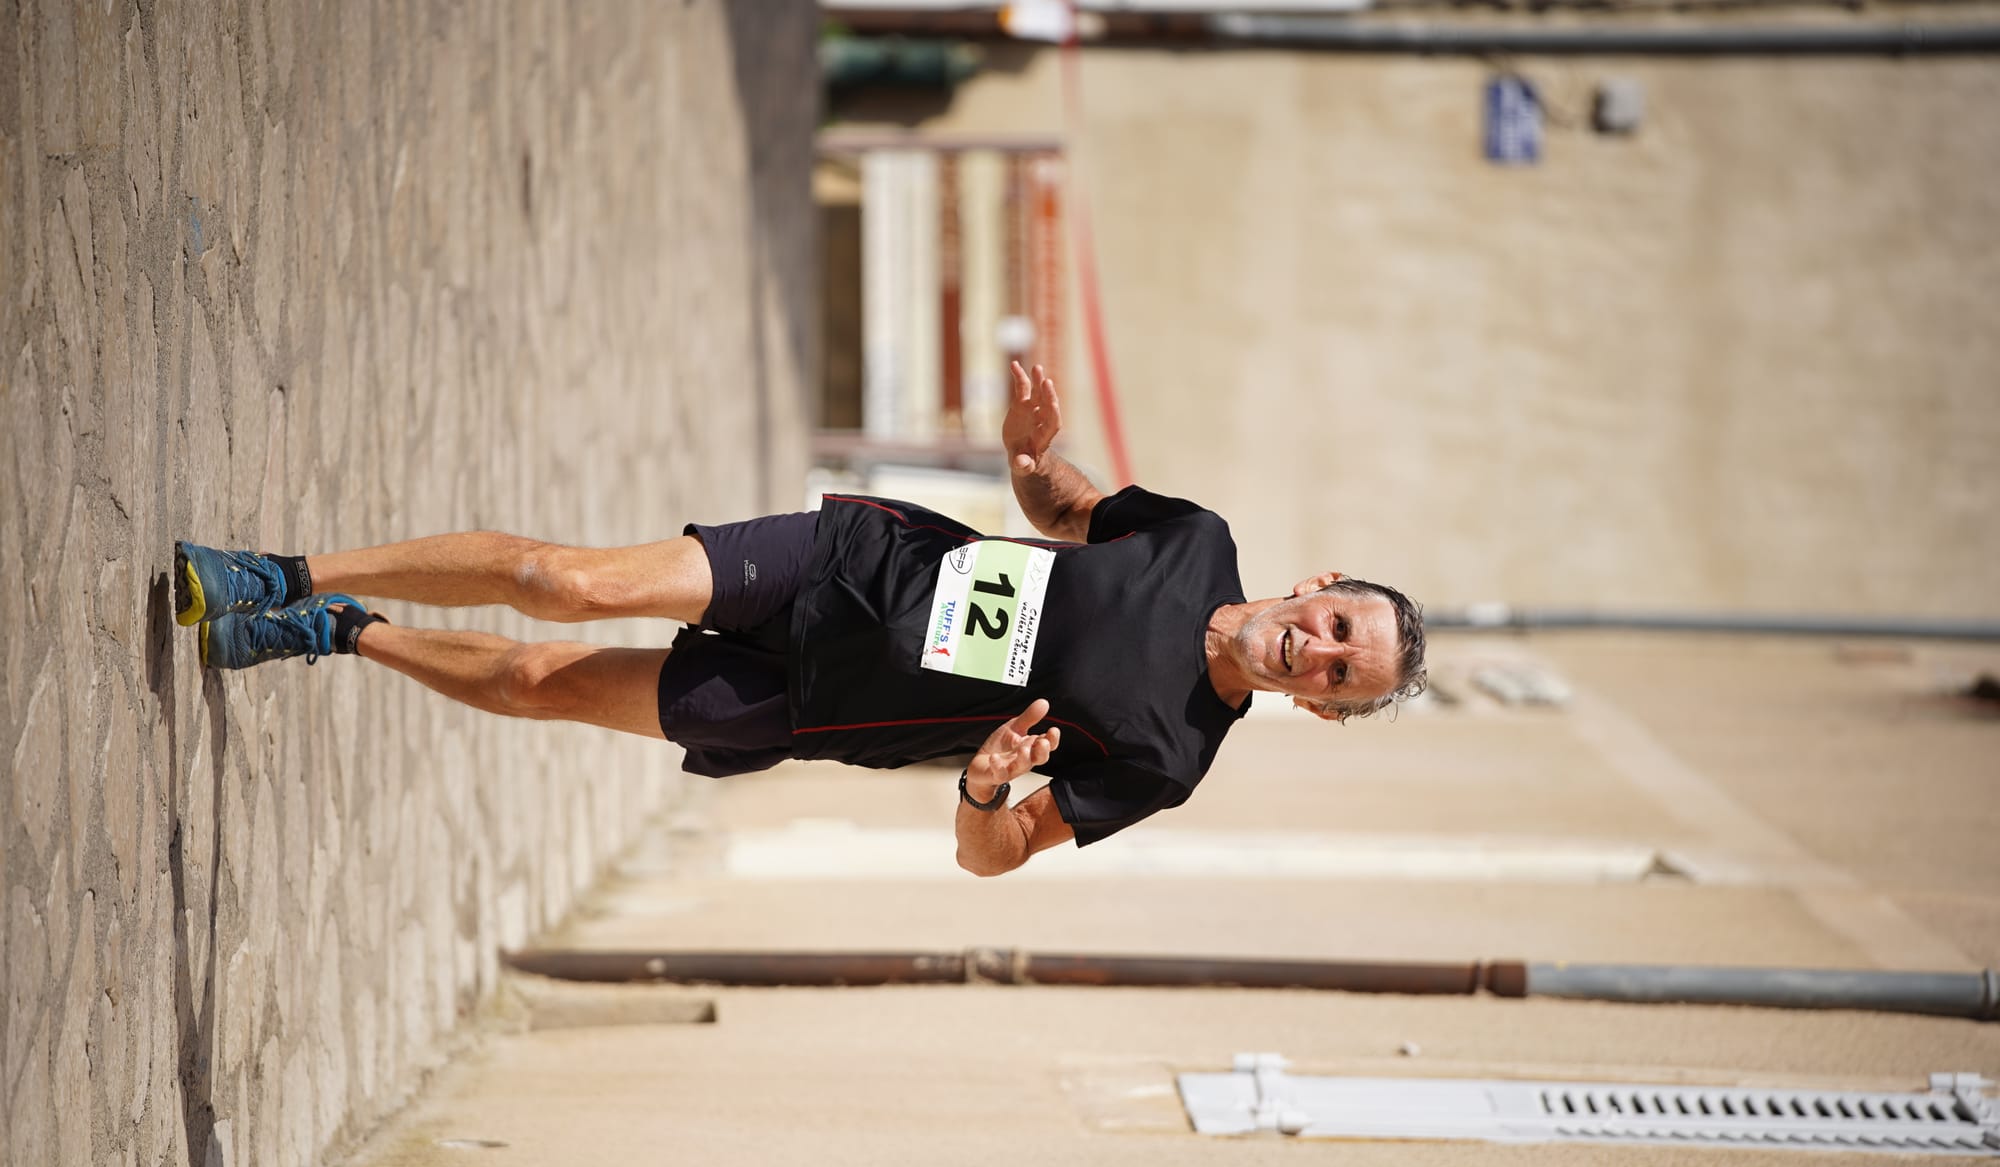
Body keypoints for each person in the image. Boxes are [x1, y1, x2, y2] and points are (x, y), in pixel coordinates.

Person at [174, 363, 1426, 875]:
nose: (1316, 650)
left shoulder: (1171, 757)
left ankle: (331, 631)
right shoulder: (1192, 536)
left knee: (536, 681)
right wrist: (1026, 452)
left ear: (1319, 709)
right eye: (1335, 626)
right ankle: (280, 573)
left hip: (819, 707)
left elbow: (993, 857)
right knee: (567, 582)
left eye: (1337, 675)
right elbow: (1063, 505)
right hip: (843, 568)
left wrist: (985, 790)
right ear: (1315, 586)